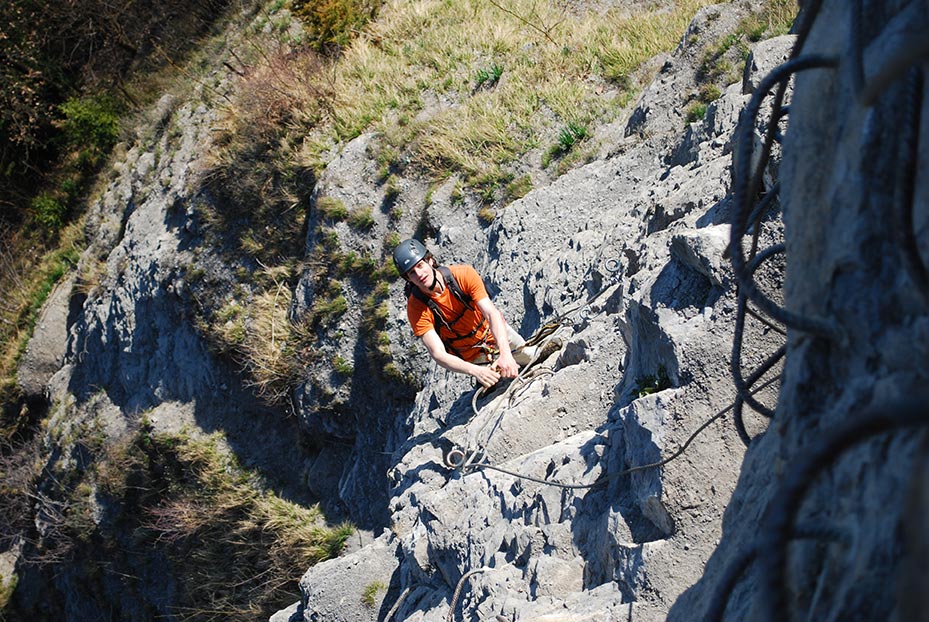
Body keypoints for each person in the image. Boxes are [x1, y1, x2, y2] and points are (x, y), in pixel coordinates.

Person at [393, 238, 537, 388]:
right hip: (472, 358)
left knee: (533, 357)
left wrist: (505, 353)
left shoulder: (462, 275)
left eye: (420, 266)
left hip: (497, 336)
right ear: (408, 279)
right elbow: (438, 353)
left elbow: (491, 314)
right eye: (412, 273)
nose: (419, 274)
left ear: (430, 260)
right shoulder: (416, 307)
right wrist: (476, 371)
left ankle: (523, 354)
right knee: (494, 386)